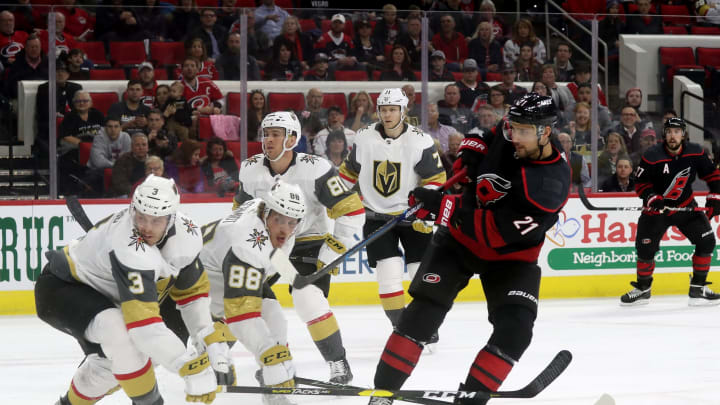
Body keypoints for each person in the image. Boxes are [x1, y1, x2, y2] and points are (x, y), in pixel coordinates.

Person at [367, 93, 570, 405]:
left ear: (545, 132)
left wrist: (441, 207)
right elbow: (481, 134)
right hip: (458, 244)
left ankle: (470, 401)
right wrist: (468, 154)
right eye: (512, 127)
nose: (514, 135)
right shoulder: (513, 129)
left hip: (511, 257)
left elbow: (494, 233)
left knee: (516, 331)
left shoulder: (549, 185)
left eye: (523, 131)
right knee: (421, 315)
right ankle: (382, 394)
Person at [35, 175, 230, 405]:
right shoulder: (129, 245)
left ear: (172, 218)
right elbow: (144, 329)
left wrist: (208, 339)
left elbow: (191, 296)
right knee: (122, 335)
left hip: (111, 296)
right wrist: (189, 367)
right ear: (132, 209)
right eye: (141, 217)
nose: (146, 227)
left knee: (120, 362)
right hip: (63, 287)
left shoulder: (187, 234)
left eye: (156, 220)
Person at [233, 111, 366, 384]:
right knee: (252, 299)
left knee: (308, 298)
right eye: (265, 133)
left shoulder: (315, 168)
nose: (267, 140)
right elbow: (239, 213)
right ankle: (277, 360)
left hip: (308, 242)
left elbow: (351, 210)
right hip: (268, 246)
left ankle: (338, 363)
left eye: (275, 134)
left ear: (292, 139)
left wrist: (332, 252)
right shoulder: (249, 169)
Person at [339, 88, 447, 332]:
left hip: (414, 215)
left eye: (392, 109)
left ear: (403, 111)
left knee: (418, 272)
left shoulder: (420, 140)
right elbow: (347, 174)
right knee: (388, 274)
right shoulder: (364, 138)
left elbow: (437, 178)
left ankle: (427, 325)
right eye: (383, 110)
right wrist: (333, 199)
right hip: (376, 217)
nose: (387, 114)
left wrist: (420, 199)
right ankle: (404, 328)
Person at [203, 179, 306, 405]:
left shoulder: (265, 208)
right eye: (279, 220)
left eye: (292, 223)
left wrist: (295, 278)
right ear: (267, 213)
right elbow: (242, 314)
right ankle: (272, 375)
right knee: (236, 326)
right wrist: (272, 359)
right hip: (207, 275)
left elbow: (271, 256)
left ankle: (273, 390)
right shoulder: (247, 240)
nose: (285, 229)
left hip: (228, 262)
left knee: (277, 320)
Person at [621, 117, 720, 306]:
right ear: (664, 135)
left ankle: (698, 288)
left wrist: (715, 197)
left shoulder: (696, 151)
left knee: (706, 241)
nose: (672, 136)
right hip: (655, 212)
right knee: (645, 249)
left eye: (676, 132)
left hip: (685, 207)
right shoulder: (652, 155)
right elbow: (641, 183)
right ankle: (643, 289)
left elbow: (713, 174)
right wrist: (652, 198)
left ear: (683, 135)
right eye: (669, 132)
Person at [110, 133, 149, 197]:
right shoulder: (122, 160)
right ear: (132, 147)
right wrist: (138, 192)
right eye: (137, 145)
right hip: (128, 194)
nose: (141, 148)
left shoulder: (154, 160)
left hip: (150, 194)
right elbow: (120, 183)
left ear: (147, 147)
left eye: (144, 145)